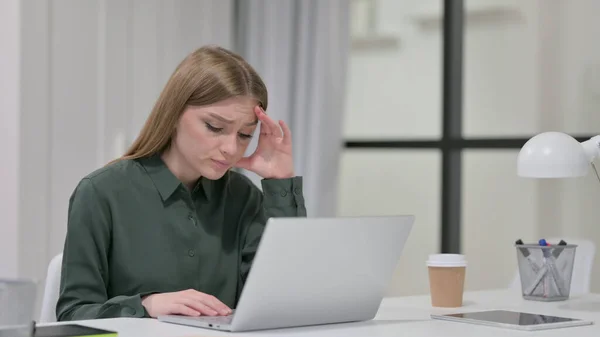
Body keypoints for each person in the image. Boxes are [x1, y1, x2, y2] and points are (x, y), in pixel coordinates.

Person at [56, 45, 307, 321]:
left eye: (245, 134)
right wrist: (145, 306)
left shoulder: (243, 196)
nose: (230, 147)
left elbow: (285, 299)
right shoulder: (100, 194)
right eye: (214, 127)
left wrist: (280, 183)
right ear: (174, 113)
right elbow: (73, 315)